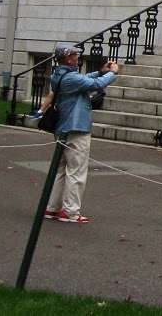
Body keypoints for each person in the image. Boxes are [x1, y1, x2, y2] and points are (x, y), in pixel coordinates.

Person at [44, 44, 120, 224]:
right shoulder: (71, 78)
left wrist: (100, 72)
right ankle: (70, 211)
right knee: (76, 169)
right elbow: (96, 84)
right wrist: (112, 73)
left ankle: (52, 207)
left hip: (62, 127)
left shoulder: (59, 75)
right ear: (68, 59)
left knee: (60, 170)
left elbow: (85, 79)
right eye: (75, 56)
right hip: (76, 127)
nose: (78, 58)